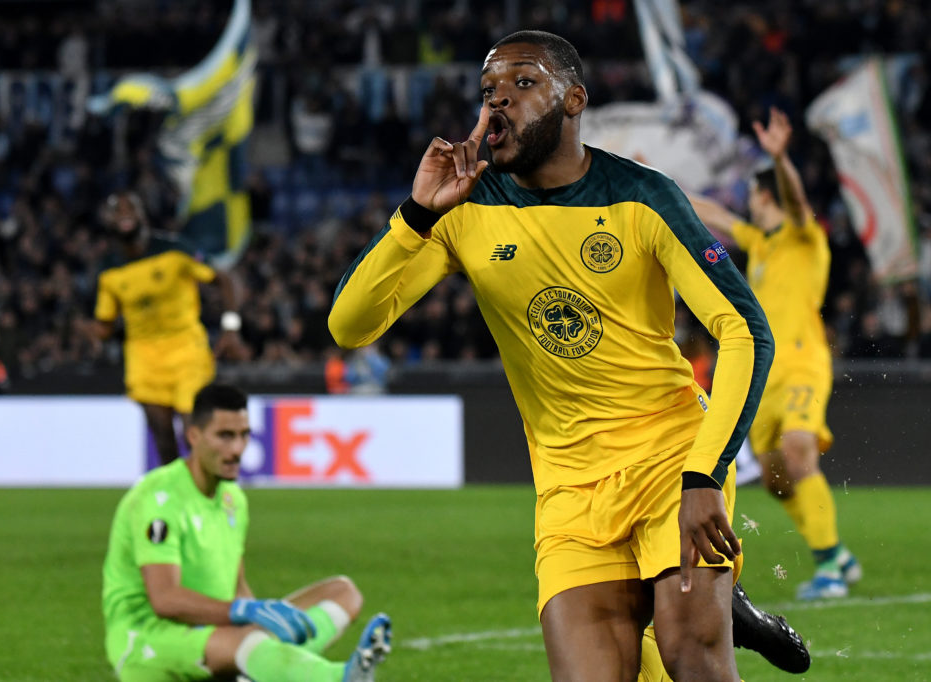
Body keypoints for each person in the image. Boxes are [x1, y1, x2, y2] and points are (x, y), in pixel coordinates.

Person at [329, 29, 778, 681]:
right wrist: (415, 216)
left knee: (694, 658)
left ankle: (712, 607)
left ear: (574, 100)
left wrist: (706, 474)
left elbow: (744, 329)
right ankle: (726, 606)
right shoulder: (464, 208)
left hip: (670, 457)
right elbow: (350, 325)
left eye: (522, 83)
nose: (499, 101)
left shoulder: (642, 196)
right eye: (488, 90)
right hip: (568, 487)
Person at [101, 383, 392, 682]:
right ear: (194, 436)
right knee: (248, 643)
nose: (237, 449)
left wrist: (265, 619)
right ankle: (337, 677)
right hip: (149, 638)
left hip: (216, 633)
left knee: (343, 592)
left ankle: (262, 668)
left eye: (243, 435)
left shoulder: (233, 500)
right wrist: (246, 612)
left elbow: (236, 588)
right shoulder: (158, 498)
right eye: (225, 436)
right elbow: (165, 600)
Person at [688, 107, 860, 600]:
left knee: (799, 452)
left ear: (766, 196)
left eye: (755, 197)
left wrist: (781, 159)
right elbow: (714, 215)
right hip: (766, 375)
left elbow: (798, 200)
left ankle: (828, 567)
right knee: (778, 478)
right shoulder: (761, 244)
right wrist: (656, 184)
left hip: (804, 362)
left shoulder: (805, 238)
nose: (750, 205)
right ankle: (838, 554)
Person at [90, 190, 247, 466]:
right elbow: (105, 324)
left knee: (194, 433)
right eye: (117, 209)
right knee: (163, 439)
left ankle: (209, 498)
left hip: (186, 349)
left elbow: (223, 279)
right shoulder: (108, 270)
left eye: (131, 207)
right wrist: (89, 330)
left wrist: (230, 328)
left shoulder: (174, 249)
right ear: (108, 221)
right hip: (144, 357)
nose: (124, 213)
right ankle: (178, 503)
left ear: (142, 214)